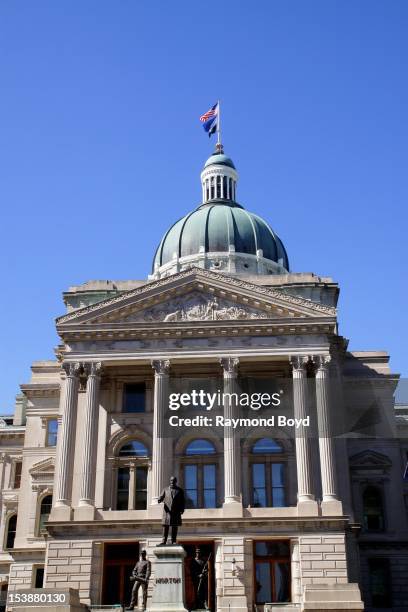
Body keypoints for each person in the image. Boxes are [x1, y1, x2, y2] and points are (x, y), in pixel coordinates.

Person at [158, 475, 185, 545]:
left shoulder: (180, 490)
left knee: (174, 526)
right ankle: (164, 540)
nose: (172, 482)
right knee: (165, 526)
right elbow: (161, 496)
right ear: (170, 481)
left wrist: (182, 509)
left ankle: (174, 540)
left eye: (173, 480)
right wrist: (159, 499)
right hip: (167, 511)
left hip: (176, 511)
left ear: (176, 482)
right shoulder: (165, 489)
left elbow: (183, 501)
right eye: (171, 480)